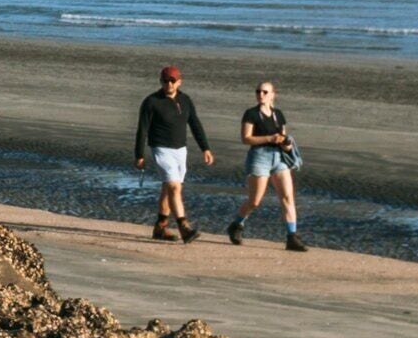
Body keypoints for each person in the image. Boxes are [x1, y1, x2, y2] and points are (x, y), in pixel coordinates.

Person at [130, 64, 215, 242]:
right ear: (160, 81)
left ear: (179, 82)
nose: (168, 84)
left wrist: (205, 148)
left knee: (168, 189)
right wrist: (139, 154)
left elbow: (195, 124)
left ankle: (160, 228)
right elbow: (142, 129)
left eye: (172, 81)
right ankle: (184, 227)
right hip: (161, 149)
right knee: (174, 187)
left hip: (181, 150)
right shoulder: (151, 102)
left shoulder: (185, 100)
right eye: (165, 81)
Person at [231, 80, 305, 250]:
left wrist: (286, 144)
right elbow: (246, 138)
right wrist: (269, 138)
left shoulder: (278, 114)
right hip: (259, 157)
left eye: (264, 92)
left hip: (278, 158)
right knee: (255, 200)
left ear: (273, 94)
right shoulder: (251, 114)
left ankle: (292, 236)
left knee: (287, 196)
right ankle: (237, 224)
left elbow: (284, 137)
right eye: (258, 91)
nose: (260, 95)